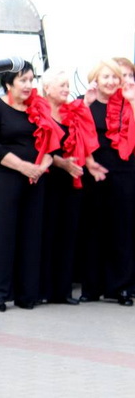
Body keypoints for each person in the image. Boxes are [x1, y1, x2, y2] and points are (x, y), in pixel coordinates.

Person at [0, 61, 62, 312]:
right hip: (5, 178)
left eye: (31, 79)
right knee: (1, 235)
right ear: (8, 84)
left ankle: (27, 294)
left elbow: (54, 144)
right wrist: (23, 166)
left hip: (35, 179)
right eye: (23, 80)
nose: (29, 85)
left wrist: (41, 166)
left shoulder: (38, 108)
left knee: (31, 235)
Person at [39, 69, 105, 305]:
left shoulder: (73, 110)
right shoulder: (39, 111)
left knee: (68, 235)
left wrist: (89, 165)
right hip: (48, 178)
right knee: (47, 235)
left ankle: (63, 290)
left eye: (67, 85)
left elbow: (86, 138)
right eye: (62, 85)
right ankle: (44, 289)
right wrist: (62, 163)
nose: (67, 89)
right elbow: (43, 148)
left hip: (72, 179)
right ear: (47, 88)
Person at [79, 59, 135, 306]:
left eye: (115, 77)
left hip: (124, 171)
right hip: (94, 171)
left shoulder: (127, 101)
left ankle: (121, 288)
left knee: (121, 231)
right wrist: (85, 103)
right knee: (93, 229)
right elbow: (76, 132)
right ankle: (91, 287)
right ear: (96, 79)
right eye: (106, 77)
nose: (111, 82)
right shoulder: (86, 101)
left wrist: (132, 100)